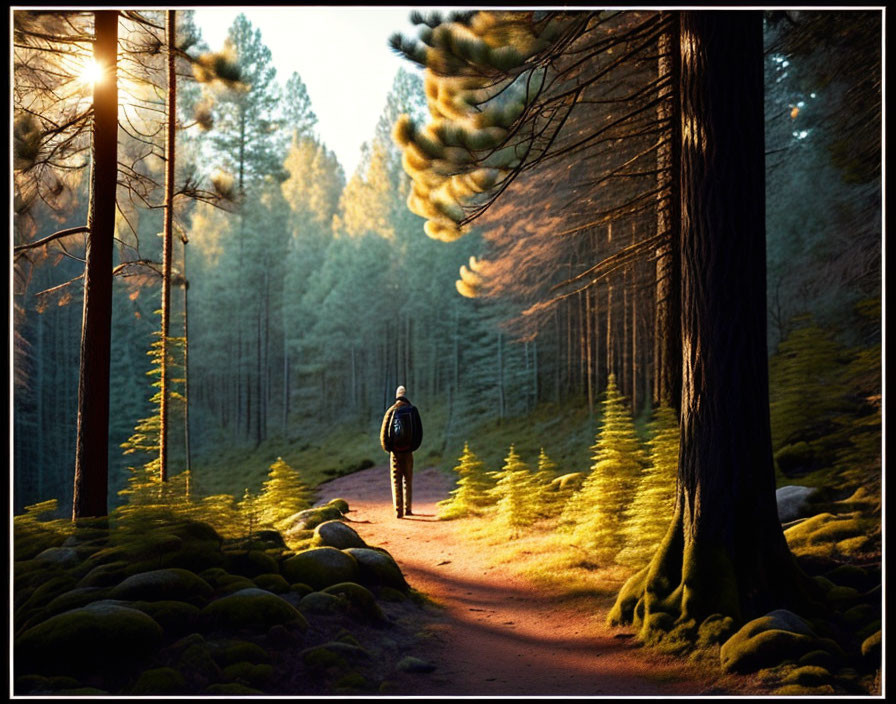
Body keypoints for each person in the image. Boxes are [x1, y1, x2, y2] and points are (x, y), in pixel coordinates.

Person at [380, 385, 422, 518]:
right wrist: (412, 447)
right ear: (406, 396)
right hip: (408, 451)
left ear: (397, 396)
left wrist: (389, 449)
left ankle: (399, 511)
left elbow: (384, 434)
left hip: (395, 453)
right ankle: (408, 508)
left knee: (396, 480)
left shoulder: (391, 410)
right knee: (408, 480)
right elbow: (419, 432)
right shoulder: (413, 410)